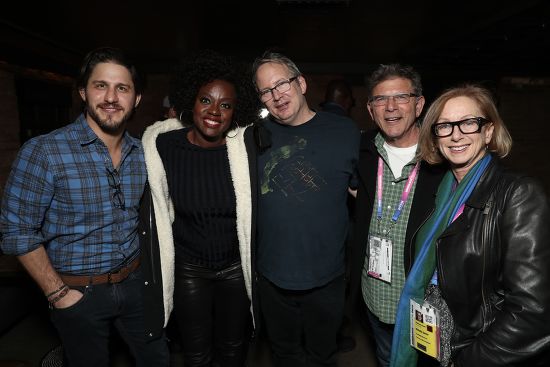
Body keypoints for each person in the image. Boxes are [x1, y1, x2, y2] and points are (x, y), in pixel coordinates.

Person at [0, 47, 169, 367]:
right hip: (78, 292)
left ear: (136, 99)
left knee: (157, 359)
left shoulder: (143, 153)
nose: (111, 97)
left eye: (122, 88)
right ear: (83, 92)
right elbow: (16, 229)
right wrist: (58, 294)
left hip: (135, 285)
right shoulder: (45, 151)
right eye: (100, 85)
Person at [391, 84, 550, 367]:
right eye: (445, 126)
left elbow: (532, 311)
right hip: (435, 340)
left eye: (468, 123)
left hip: (479, 352)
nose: (455, 134)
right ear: (435, 137)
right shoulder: (439, 193)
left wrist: (469, 359)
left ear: (488, 131)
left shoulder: (518, 194)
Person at [140, 49, 261, 367]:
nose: (214, 111)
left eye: (226, 105)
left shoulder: (243, 151)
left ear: (236, 112)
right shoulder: (163, 147)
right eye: (206, 100)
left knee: (233, 349)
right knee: (196, 353)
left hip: (235, 269)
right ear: (191, 101)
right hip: (189, 268)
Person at [248, 51, 360, 367]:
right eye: (266, 91)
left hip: (328, 278)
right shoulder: (252, 137)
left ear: (301, 83)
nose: (276, 95)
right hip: (271, 277)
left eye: (281, 84)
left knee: (322, 356)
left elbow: (359, 193)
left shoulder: (345, 132)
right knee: (285, 355)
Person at [348, 63, 445, 367]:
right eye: (380, 99)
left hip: (426, 305)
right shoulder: (360, 152)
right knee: (387, 358)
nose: (390, 107)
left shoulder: (444, 158)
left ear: (418, 104)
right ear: (370, 108)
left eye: (401, 97)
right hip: (375, 299)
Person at [320, 78, 358, 354]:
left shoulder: (313, 123)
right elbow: (355, 182)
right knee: (339, 280)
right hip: (340, 222)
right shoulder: (348, 128)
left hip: (310, 225)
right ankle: (333, 336)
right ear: (346, 100)